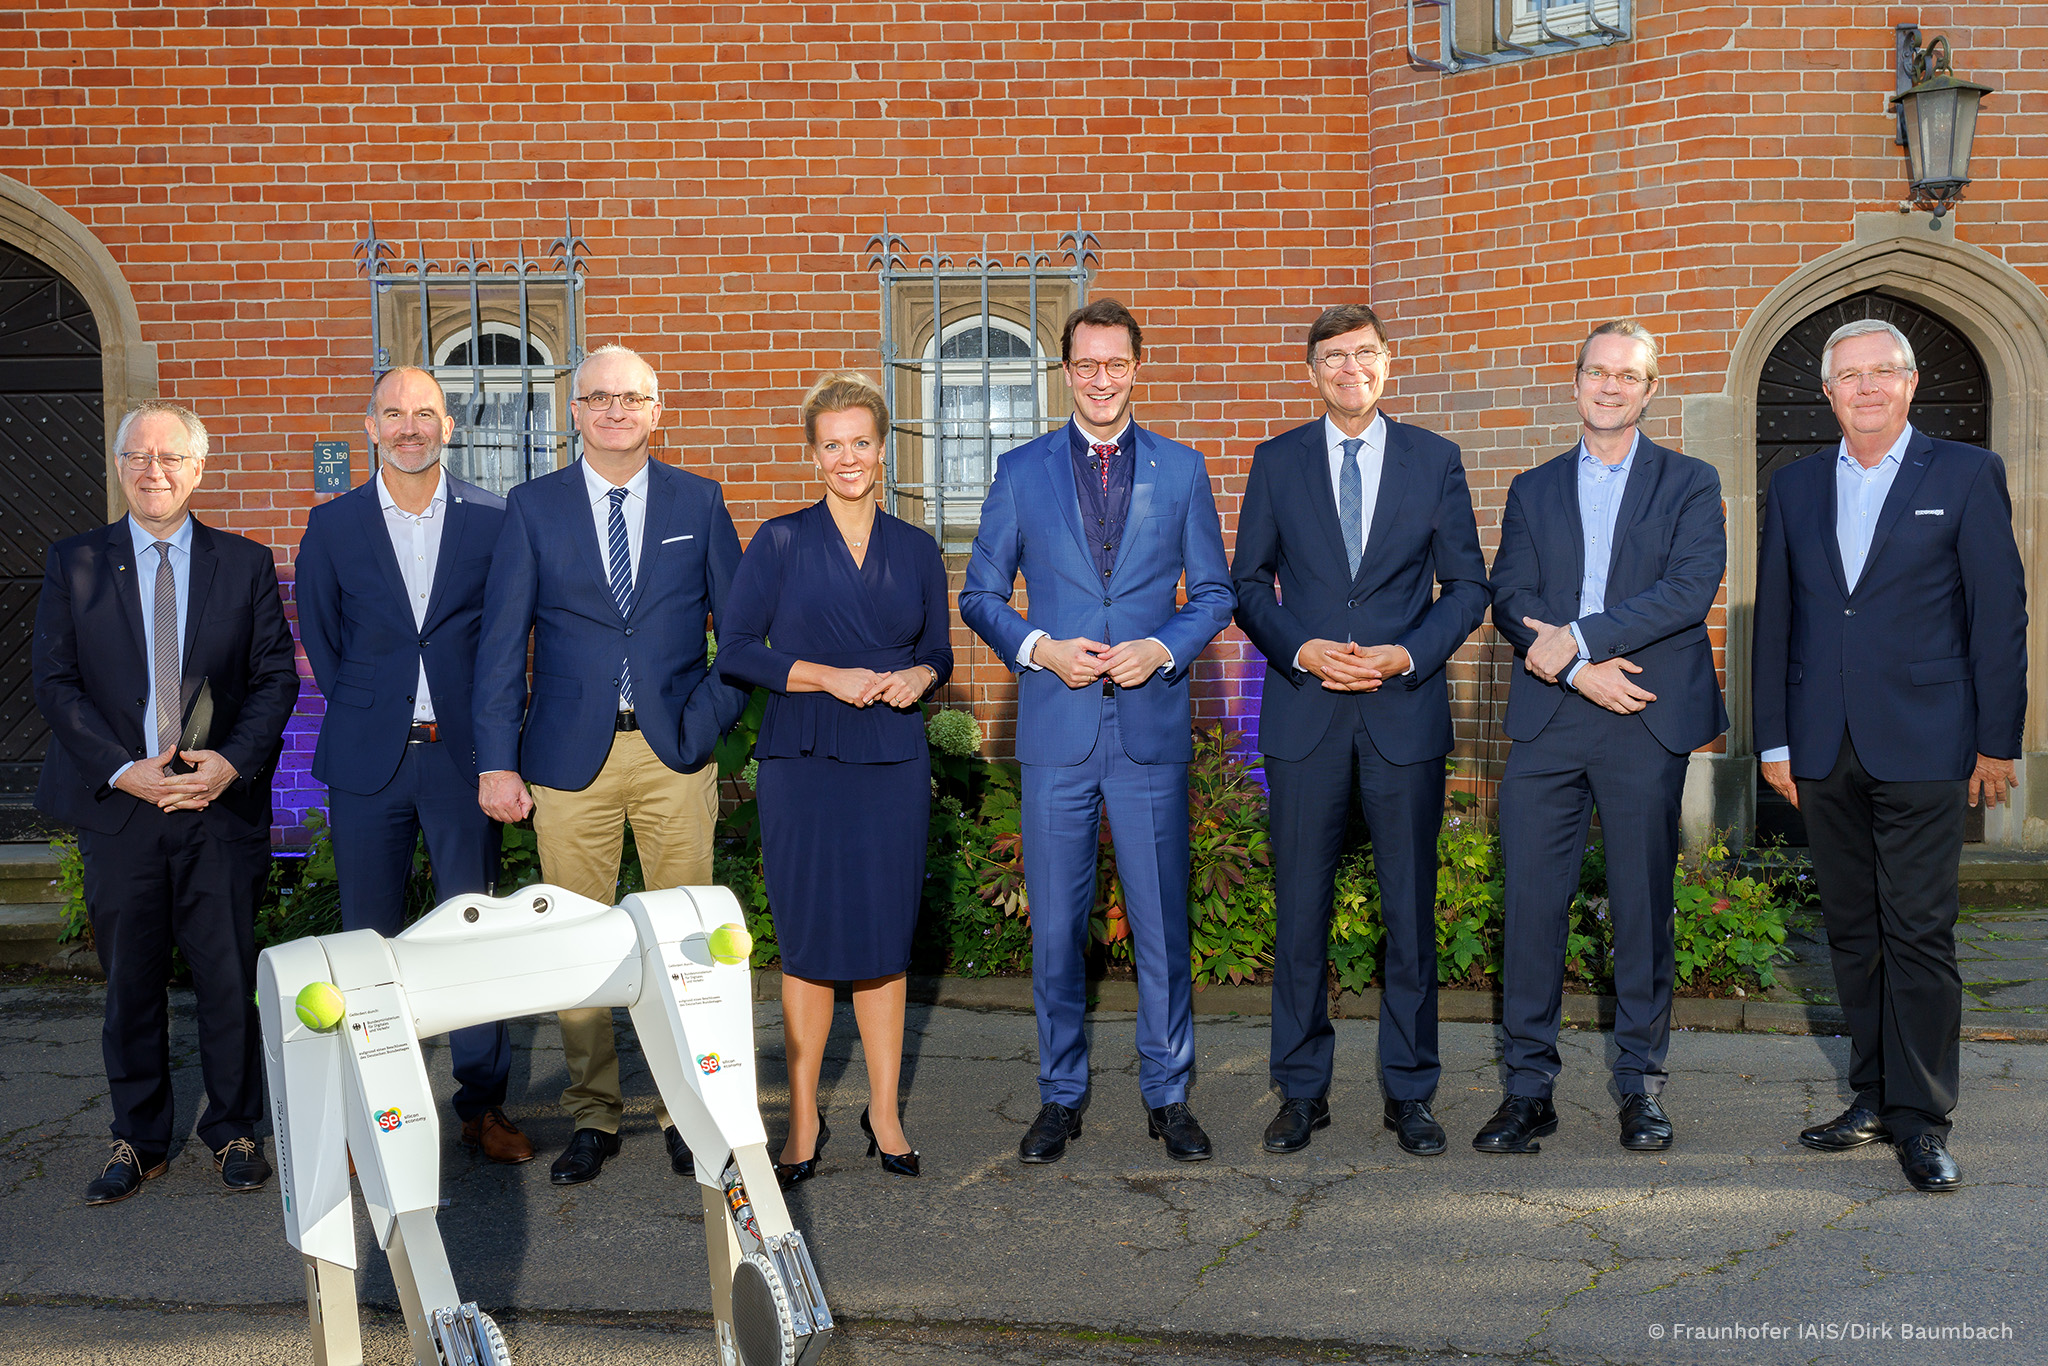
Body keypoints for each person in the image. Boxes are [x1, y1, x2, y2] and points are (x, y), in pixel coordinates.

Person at [1753, 318, 2026, 1193]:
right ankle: (1870, 1096)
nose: (1866, 388)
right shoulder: (1792, 486)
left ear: (1911, 384)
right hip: (1822, 748)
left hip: (1928, 740)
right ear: (1826, 392)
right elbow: (1779, 621)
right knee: (1853, 932)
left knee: (1918, 932)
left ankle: (1922, 1117)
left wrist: (1998, 740)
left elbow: (1999, 618)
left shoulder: (1967, 473)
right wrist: (1774, 738)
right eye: (1848, 376)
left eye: (1882, 373)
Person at [960, 298, 1234, 1165]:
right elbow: (980, 594)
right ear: (1066, 371)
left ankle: (1168, 1094)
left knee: (1161, 926)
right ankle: (1060, 1094)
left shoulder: (1183, 470)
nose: (1102, 379)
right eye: (1086, 365)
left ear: (1137, 368)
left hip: (1149, 732)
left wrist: (1161, 646)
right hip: (1057, 734)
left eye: (1116, 364)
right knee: (1055, 932)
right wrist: (1039, 648)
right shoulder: (1020, 471)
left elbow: (1217, 595)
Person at [474, 343, 750, 1186]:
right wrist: (496, 760)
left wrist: (702, 728)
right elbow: (499, 647)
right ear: (576, 410)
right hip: (566, 763)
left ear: (657, 409)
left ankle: (683, 1108)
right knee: (579, 948)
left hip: (672, 757)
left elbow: (738, 639)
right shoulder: (533, 508)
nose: (614, 411)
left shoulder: (699, 502)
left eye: (630, 397)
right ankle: (594, 1115)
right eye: (597, 397)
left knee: (685, 946)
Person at [1231, 303, 1489, 1157]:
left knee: (1408, 915)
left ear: (1389, 364)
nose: (1351, 369)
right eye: (1333, 357)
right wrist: (1300, 648)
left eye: (1365, 354)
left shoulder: (1434, 460)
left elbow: (1468, 588)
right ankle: (1301, 1092)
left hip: (1400, 716)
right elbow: (1245, 584)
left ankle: (1410, 1094)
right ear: (1313, 373)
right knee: (1299, 914)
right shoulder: (1277, 461)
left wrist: (1402, 657)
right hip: (1305, 718)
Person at [33, 400, 299, 1205]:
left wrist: (232, 764)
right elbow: (56, 684)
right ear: (119, 465)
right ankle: (139, 1137)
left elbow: (275, 677)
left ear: (199, 468)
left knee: (227, 979)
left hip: (217, 806)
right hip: (122, 811)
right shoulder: (74, 561)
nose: (154, 472)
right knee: (131, 986)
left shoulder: (244, 563)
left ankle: (235, 1129)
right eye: (138, 457)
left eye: (171, 457)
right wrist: (123, 770)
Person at [1482, 321, 1729, 1155]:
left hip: (1643, 715)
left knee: (1641, 907)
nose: (1611, 387)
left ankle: (1641, 1089)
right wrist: (1575, 669)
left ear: (1650, 389)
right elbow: (1509, 594)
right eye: (1598, 373)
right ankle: (1527, 1093)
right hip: (1553, 716)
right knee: (1532, 909)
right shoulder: (1533, 486)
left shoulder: (1691, 482)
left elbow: (1689, 591)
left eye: (1629, 376)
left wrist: (1581, 639)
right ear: (1577, 381)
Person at [716, 371, 953, 1185]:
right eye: (831, 445)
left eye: (861, 442)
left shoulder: (918, 548)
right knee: (810, 942)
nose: (847, 457)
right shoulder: (779, 542)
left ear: (882, 449)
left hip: (890, 758)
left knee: (886, 939)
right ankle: (804, 1118)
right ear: (811, 454)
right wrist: (826, 676)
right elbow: (738, 648)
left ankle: (884, 1111)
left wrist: (920, 678)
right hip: (804, 759)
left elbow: (940, 653)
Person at [296, 367, 528, 1163]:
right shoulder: (332, 526)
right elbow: (325, 645)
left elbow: (505, 639)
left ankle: (481, 1106)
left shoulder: (497, 520)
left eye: (424, 413)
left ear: (448, 426)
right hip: (371, 760)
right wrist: (377, 710)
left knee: (473, 934)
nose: (408, 427)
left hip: (464, 758)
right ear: (370, 426)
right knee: (368, 938)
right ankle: (377, 1102)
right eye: (393, 413)